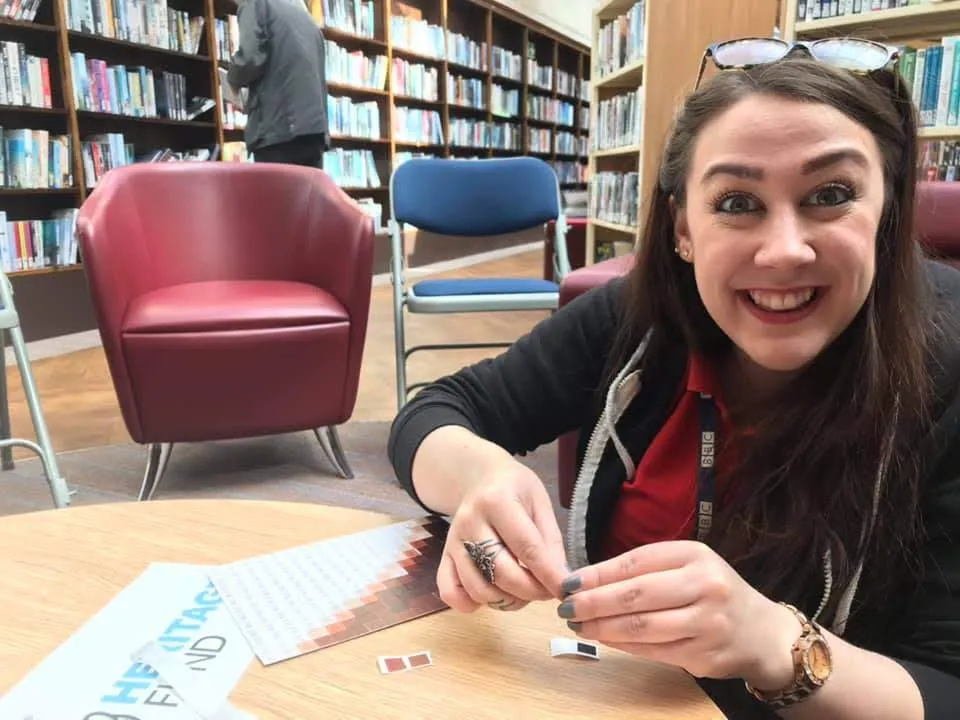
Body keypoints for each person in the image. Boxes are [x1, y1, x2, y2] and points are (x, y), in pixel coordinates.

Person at [387, 37, 960, 719]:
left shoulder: (946, 364)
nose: (783, 250)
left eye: (830, 195)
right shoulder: (634, 320)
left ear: (887, 214)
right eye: (737, 202)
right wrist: (481, 474)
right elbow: (438, 411)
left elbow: (945, 688)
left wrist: (775, 646)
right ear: (683, 227)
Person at [226, 0, 328, 167]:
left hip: (278, 131)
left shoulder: (255, 4)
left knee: (275, 193)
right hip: (314, 131)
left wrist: (232, 80)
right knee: (306, 193)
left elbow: (250, 58)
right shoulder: (304, 14)